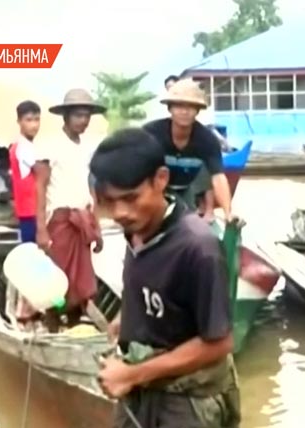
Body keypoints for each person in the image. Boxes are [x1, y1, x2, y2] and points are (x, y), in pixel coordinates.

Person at [91, 128, 240, 428]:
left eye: (131, 197)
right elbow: (148, 282)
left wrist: (131, 375)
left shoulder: (198, 248)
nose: (120, 212)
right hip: (141, 383)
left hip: (187, 398)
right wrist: (128, 316)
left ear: (161, 179)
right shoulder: (137, 227)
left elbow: (219, 343)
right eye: (109, 200)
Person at [34, 89, 105, 332]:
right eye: (78, 115)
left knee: (80, 278)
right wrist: (41, 229)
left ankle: (74, 323)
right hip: (60, 219)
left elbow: (91, 185)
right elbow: (40, 187)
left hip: (81, 217)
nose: (83, 121)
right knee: (57, 275)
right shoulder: (49, 145)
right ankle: (52, 319)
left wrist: (97, 225)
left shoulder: (87, 146)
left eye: (86, 116)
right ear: (66, 116)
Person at [142, 78, 232, 221]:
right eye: (178, 106)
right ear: (170, 108)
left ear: (197, 110)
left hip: (185, 189)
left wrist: (228, 213)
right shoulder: (151, 133)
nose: (184, 111)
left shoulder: (207, 140)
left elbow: (218, 177)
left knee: (188, 225)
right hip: (155, 190)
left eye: (190, 107)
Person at [5, 100, 42, 327]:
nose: (34, 125)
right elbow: (42, 172)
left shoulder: (25, 146)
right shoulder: (24, 148)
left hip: (29, 210)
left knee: (35, 256)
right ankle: (25, 306)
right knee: (33, 258)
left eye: (37, 120)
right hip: (31, 212)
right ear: (19, 122)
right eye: (29, 120)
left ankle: (30, 303)